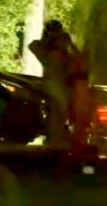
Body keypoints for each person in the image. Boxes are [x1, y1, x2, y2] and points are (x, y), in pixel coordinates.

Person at [29, 20, 79, 148]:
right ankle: (55, 138)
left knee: (59, 111)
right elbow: (33, 46)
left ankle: (56, 138)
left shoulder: (63, 49)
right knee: (60, 108)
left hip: (61, 83)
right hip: (52, 82)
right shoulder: (47, 47)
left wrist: (69, 44)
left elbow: (76, 58)